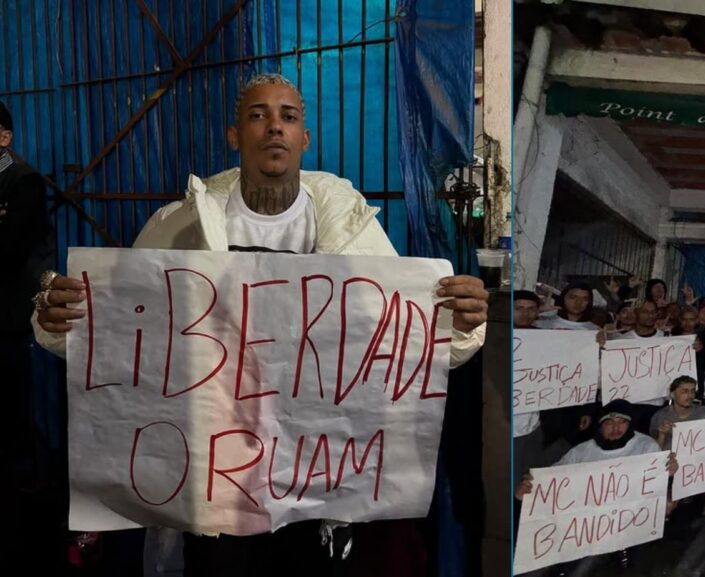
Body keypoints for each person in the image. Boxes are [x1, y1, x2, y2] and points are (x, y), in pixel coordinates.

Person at [32, 74, 489, 576]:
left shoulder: (352, 231)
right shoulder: (180, 228)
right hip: (215, 480)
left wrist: (457, 325)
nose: (275, 127)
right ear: (234, 135)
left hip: (316, 480)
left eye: (288, 116)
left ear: (304, 138)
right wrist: (60, 322)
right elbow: (120, 340)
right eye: (258, 115)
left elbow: (402, 344)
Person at [0, 100, 60, 572]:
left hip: (10, 314)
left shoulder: (22, 181)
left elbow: (12, 247)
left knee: (14, 402)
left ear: (5, 137)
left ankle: (24, 491)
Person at [514, 400, 678, 571]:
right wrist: (526, 491)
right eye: (609, 423)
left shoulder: (646, 446)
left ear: (630, 425)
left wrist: (669, 474)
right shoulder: (581, 451)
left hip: (625, 527)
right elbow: (551, 483)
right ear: (599, 427)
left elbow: (657, 487)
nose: (616, 428)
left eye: (622, 422)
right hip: (582, 529)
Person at [513, 291, 545, 482]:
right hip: (507, 425)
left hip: (534, 425)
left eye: (531, 309)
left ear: (537, 313)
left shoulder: (546, 339)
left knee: (529, 479)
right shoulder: (495, 336)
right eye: (519, 308)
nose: (525, 314)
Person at [650, 376, 705, 451]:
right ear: (673, 394)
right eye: (684, 391)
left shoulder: (704, 413)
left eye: (692, 391)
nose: (690, 396)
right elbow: (654, 450)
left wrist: (676, 432)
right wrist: (662, 434)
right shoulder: (660, 416)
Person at [534, 281, 600, 330]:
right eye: (573, 297)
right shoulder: (541, 322)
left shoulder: (594, 330)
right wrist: (536, 310)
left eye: (585, 299)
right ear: (563, 298)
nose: (578, 302)